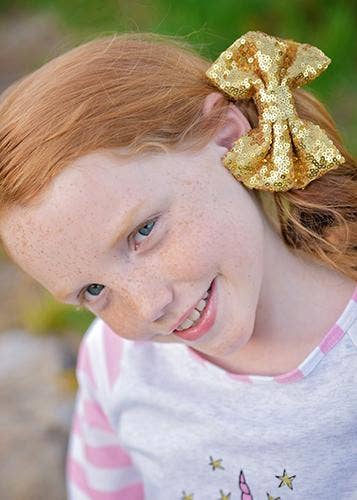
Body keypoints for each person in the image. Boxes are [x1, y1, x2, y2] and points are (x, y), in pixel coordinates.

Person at [0, 29, 356, 500]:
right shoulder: (116, 362)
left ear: (228, 138)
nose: (148, 308)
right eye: (92, 291)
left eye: (143, 232)